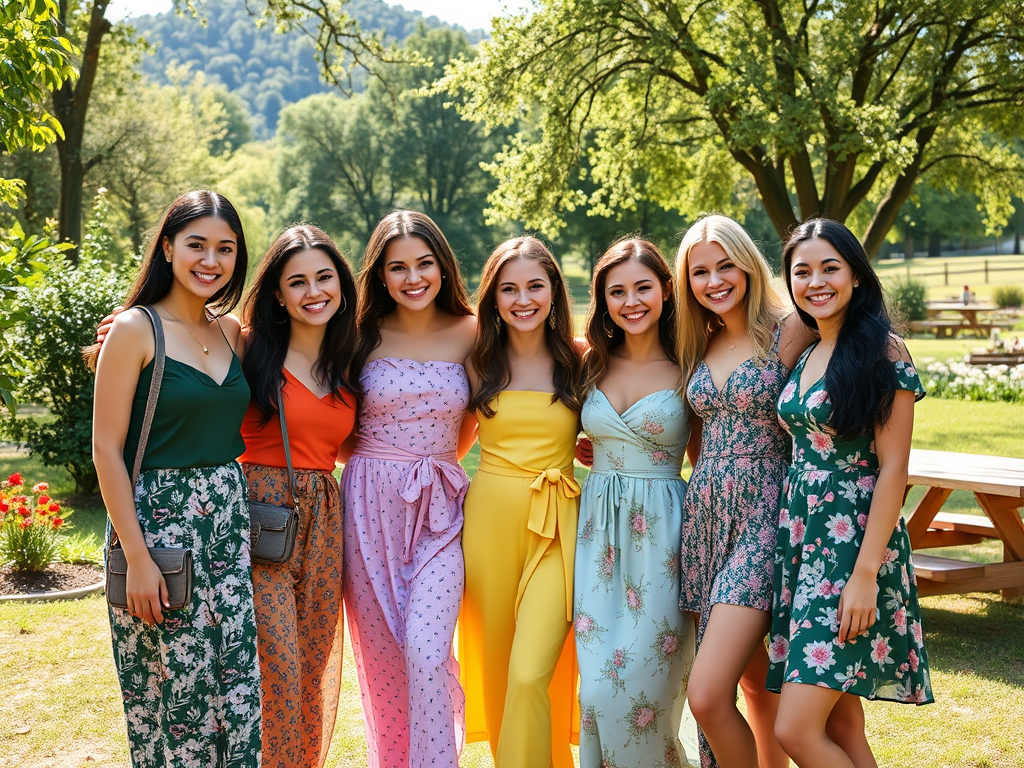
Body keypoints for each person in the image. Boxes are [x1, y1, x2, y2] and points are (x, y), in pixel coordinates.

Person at [91, 190, 261, 767]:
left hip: (228, 530)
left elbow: (307, 322)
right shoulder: (136, 330)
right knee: (179, 701)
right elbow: (106, 449)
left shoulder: (231, 330)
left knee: (237, 696)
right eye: (196, 245)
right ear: (167, 247)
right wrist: (137, 557)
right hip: (160, 528)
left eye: (226, 248)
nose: (211, 260)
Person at [769, 218, 934, 768]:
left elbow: (894, 470)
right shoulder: (808, 346)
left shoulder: (885, 352)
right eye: (802, 271)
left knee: (794, 729)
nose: (816, 281)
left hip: (854, 547)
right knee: (841, 725)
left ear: (856, 276)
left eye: (830, 267)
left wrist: (864, 575)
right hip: (802, 542)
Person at [675, 214, 813, 768]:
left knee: (706, 696)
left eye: (725, 265)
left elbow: (856, 362)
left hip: (770, 514)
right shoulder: (697, 342)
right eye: (700, 272)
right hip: (707, 515)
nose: (714, 281)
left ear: (748, 264)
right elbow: (696, 438)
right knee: (756, 687)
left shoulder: (791, 328)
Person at [341, 210, 478, 768]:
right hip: (367, 508)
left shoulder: (472, 330)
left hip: (441, 506)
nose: (413, 277)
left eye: (424, 263)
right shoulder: (355, 335)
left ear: (443, 268)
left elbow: (545, 344)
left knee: (425, 650)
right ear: (380, 276)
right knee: (381, 664)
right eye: (398, 267)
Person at [459, 237, 584, 768]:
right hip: (489, 524)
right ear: (492, 298)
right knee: (500, 665)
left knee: (534, 670)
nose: (523, 299)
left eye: (535, 285)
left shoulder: (581, 358)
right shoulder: (476, 360)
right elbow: (454, 445)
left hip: (558, 522)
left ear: (554, 291)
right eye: (508, 289)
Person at [238, 224, 359, 768]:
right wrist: (118, 338)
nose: (314, 292)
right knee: (277, 665)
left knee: (312, 662)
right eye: (298, 282)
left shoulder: (351, 361)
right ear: (278, 295)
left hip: (326, 518)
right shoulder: (244, 345)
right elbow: (175, 336)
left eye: (324, 278)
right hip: (261, 514)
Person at [574, 238, 697, 768]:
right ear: (602, 299)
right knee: (598, 689)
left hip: (663, 535)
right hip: (597, 532)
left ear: (667, 290)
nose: (631, 301)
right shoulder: (590, 362)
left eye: (643, 287)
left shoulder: (690, 364)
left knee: (647, 683)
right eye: (616, 291)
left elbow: (706, 454)